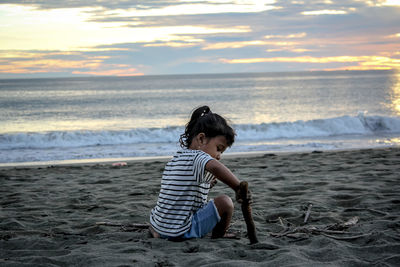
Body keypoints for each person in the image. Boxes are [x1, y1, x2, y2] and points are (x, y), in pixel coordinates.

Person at [149, 105, 251, 240]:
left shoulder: (177, 158)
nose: (219, 155)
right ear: (201, 139)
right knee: (225, 202)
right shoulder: (198, 156)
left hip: (159, 225)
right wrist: (237, 187)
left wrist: (207, 185)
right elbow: (216, 167)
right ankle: (219, 235)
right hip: (180, 231)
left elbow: (184, 189)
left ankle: (157, 231)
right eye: (219, 148)